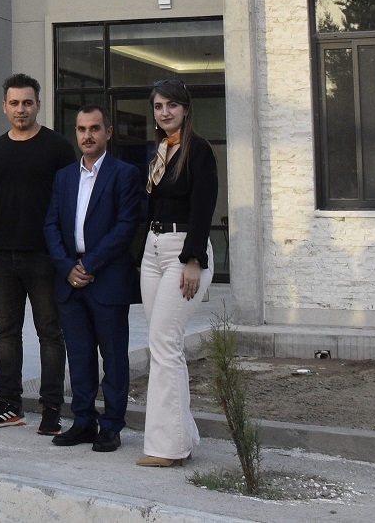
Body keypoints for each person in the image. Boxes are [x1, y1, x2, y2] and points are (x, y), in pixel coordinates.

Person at [0, 73, 77, 432]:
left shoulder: (59, 148)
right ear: (4, 107)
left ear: (38, 104)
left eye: (28, 102)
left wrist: (68, 253)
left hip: (47, 257)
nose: (21, 109)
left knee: (50, 333)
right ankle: (9, 405)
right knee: (7, 332)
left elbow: (71, 201)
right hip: (3, 255)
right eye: (14, 103)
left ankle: (52, 409)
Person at [43, 105, 146, 453]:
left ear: (108, 132)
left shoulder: (125, 174)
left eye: (95, 129)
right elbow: (51, 225)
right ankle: (83, 421)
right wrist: (66, 266)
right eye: (81, 129)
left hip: (107, 279)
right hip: (70, 280)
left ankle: (112, 425)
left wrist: (90, 265)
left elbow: (125, 227)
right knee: (80, 355)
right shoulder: (64, 177)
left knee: (113, 357)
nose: (87, 135)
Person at [137, 77, 219, 468]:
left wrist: (193, 259)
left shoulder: (198, 151)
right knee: (163, 347)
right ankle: (181, 437)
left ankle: (166, 448)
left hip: (183, 251)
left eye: (171, 105)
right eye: (158, 106)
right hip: (153, 253)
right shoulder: (160, 153)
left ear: (185, 109)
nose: (165, 112)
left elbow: (203, 207)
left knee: (165, 343)